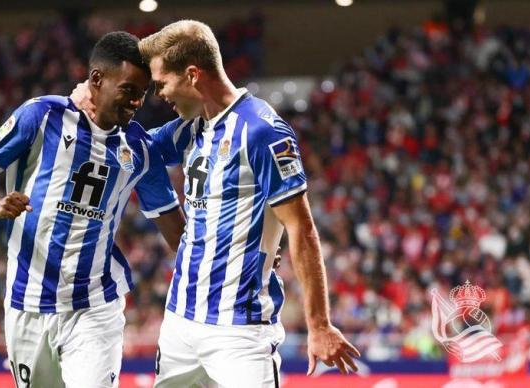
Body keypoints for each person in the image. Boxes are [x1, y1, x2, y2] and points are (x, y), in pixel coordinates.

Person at [72, 20, 360, 387]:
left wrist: (318, 324)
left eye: (162, 83)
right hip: (180, 322)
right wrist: (89, 99)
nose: (158, 95)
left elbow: (301, 227)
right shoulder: (191, 129)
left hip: (239, 331)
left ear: (192, 75)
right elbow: (135, 145)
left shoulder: (261, 130)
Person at [0, 31, 186, 388]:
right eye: (128, 90)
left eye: (142, 94)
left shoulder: (139, 150)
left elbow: (177, 232)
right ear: (97, 79)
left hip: (94, 308)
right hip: (27, 303)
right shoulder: (41, 116)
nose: (136, 102)